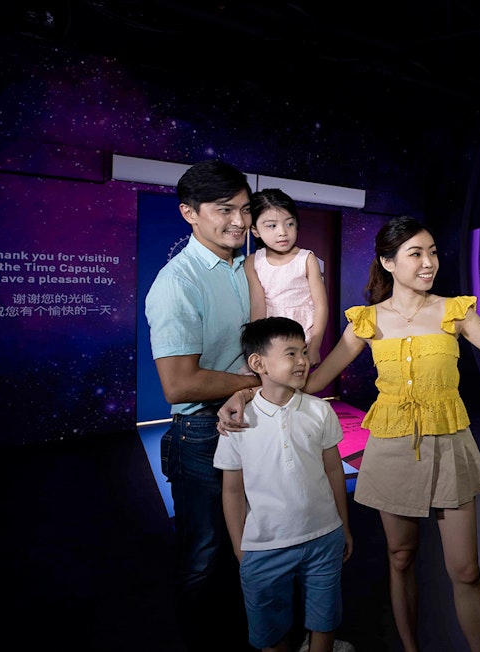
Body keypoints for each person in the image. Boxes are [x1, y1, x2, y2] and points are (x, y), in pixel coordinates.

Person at [219, 215, 480, 652]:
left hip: (449, 443)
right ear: (388, 262)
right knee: (400, 558)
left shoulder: (454, 310)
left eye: (433, 252)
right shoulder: (366, 321)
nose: (429, 263)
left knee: (466, 571)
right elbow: (307, 381)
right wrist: (246, 395)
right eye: (416, 254)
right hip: (390, 446)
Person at [145, 159, 263, 652]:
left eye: (244, 209)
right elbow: (178, 384)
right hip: (200, 438)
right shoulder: (179, 282)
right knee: (204, 555)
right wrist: (256, 381)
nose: (239, 221)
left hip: (254, 424)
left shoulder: (246, 265)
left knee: (255, 543)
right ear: (189, 213)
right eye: (224, 210)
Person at [214, 317, 354, 652]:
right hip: (264, 547)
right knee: (270, 632)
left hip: (324, 537)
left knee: (324, 621)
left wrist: (343, 527)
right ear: (258, 363)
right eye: (291, 353)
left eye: (304, 352)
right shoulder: (238, 421)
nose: (303, 361)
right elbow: (232, 489)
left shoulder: (320, 411)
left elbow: (334, 471)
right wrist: (239, 546)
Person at [245, 188, 329, 367]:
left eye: (289, 224)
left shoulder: (306, 258)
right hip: (271, 336)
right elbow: (258, 306)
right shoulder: (253, 262)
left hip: (302, 335)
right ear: (255, 230)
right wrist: (258, 346)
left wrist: (315, 345)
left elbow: (320, 305)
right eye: (272, 226)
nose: (283, 232)